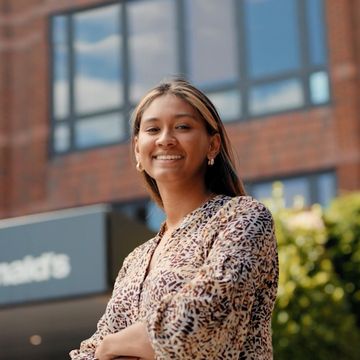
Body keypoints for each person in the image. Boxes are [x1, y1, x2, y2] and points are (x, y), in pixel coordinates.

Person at [70, 78, 278, 360]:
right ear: (137, 149)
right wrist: (112, 346)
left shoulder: (242, 218)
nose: (165, 139)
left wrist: (115, 346)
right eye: (153, 129)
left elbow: (203, 319)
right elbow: (92, 350)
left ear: (213, 145)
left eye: (182, 127)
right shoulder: (135, 261)